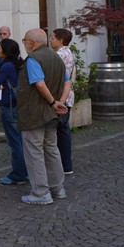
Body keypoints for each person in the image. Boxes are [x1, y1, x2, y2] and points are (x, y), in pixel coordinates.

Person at [17, 29, 70, 205]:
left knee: (35, 153)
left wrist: (53, 102)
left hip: (35, 114)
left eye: (25, 40)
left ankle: (40, 193)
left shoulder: (34, 59)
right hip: (50, 114)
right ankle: (57, 188)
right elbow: (67, 82)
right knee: (51, 150)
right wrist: (59, 103)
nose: (24, 44)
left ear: (32, 42)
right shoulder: (57, 58)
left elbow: (39, 84)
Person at [0, 38, 29, 187]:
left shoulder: (6, 66)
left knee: (15, 142)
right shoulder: (20, 62)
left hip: (9, 105)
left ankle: (18, 175)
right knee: (20, 139)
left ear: (6, 51)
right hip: (19, 105)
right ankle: (24, 172)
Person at [50, 28, 75, 175]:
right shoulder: (68, 53)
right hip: (66, 96)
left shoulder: (60, 54)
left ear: (60, 40)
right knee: (63, 131)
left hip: (61, 98)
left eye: (53, 38)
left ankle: (64, 165)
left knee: (61, 131)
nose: (51, 40)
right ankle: (65, 164)